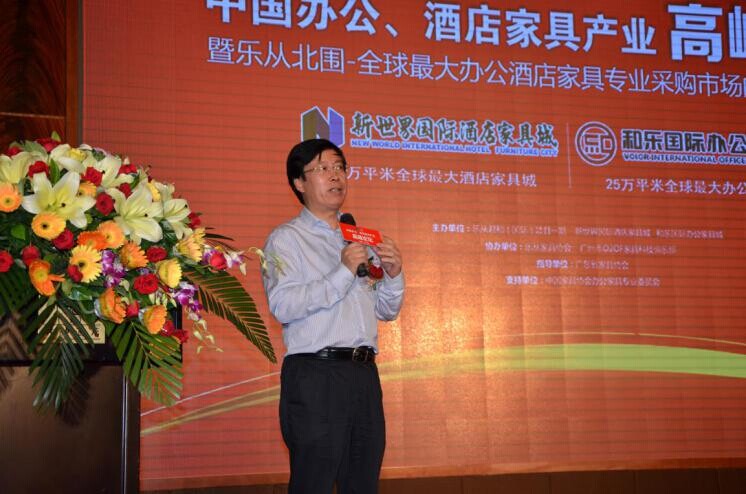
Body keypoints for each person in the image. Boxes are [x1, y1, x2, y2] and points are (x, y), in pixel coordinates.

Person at [261, 138, 404, 494]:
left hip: (363, 375)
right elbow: (283, 305)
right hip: (316, 376)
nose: (335, 175)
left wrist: (393, 273)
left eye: (340, 167)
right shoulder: (286, 240)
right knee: (315, 483)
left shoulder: (358, 239)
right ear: (299, 182)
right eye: (323, 168)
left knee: (362, 483)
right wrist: (342, 271)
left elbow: (386, 310)